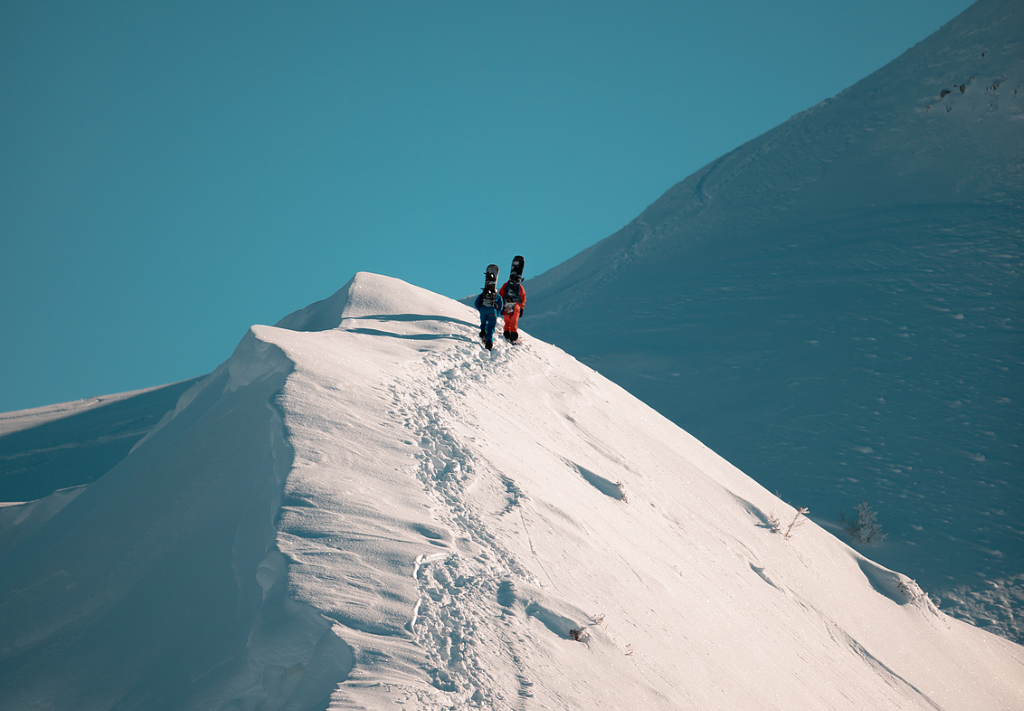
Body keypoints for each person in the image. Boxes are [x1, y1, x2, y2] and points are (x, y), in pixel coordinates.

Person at [474, 284, 504, 350]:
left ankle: (483, 331)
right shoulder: (497, 296)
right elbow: (500, 306)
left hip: (483, 311)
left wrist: (480, 309)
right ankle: (489, 341)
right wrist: (496, 314)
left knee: (483, 324)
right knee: (490, 327)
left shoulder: (482, 295)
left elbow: (476, 303)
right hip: (492, 312)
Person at [499, 274, 526, 343]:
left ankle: (507, 333)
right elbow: (523, 297)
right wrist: (522, 308)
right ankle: (513, 336)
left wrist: (500, 306)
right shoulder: (519, 287)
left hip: (507, 305)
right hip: (516, 305)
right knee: (514, 322)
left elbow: (501, 295)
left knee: (507, 321)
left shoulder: (506, 285)